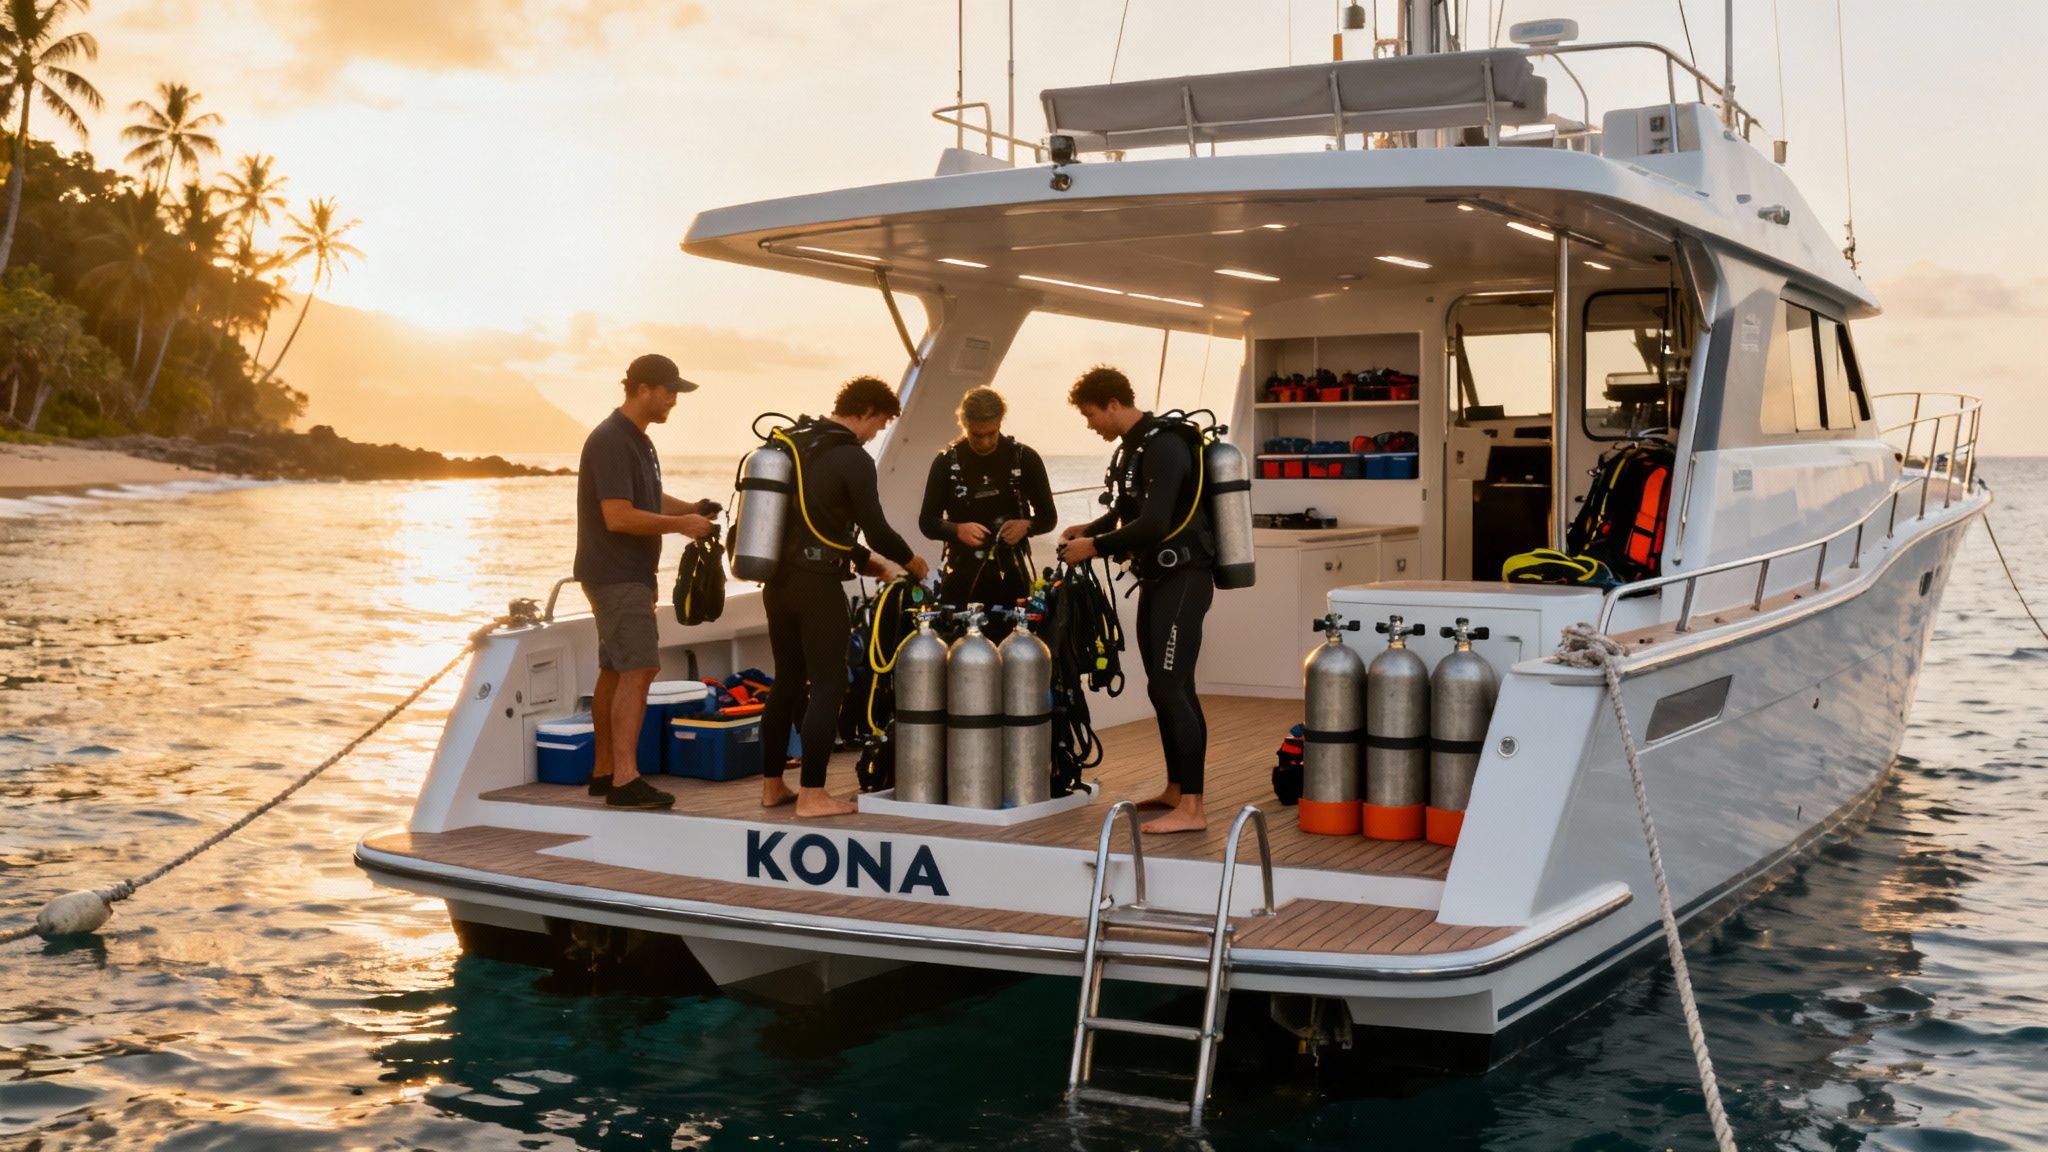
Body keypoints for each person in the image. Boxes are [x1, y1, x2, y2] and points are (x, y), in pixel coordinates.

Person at [760, 376, 931, 818]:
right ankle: (813, 794)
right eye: (880, 424)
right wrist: (911, 560)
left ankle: (772, 786)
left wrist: (863, 561)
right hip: (816, 587)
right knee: (830, 683)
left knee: (786, 681)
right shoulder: (851, 457)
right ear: (869, 413)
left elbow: (809, 520)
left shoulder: (794, 446)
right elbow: (876, 528)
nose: (876, 433)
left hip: (776, 583)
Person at [1057, 366, 1213, 835]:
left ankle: (1193, 807)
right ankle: (1175, 788)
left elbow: (1155, 524)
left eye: (1090, 416)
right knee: (1161, 686)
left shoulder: (1163, 445)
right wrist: (1092, 528)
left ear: (1112, 404)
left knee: (1172, 687)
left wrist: (1094, 548)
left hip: (1184, 578)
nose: (1091, 426)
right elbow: (1128, 510)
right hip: (1157, 578)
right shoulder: (1134, 448)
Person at [575, 353, 719, 810]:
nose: (674, 399)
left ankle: (603, 772)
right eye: (669, 390)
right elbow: (616, 516)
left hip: (623, 573)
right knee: (640, 669)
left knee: (616, 670)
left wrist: (689, 508)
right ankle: (625, 780)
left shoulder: (637, 440)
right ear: (642, 389)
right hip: (617, 574)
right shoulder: (612, 440)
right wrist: (682, 528)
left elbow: (646, 497)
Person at [917, 386, 1057, 633]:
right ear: (964, 425)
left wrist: (1028, 526)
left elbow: (1049, 517)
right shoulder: (946, 463)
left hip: (1012, 576)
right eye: (976, 435)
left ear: (1000, 422)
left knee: (1014, 656)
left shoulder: (1024, 458)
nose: (985, 442)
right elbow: (927, 521)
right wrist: (956, 530)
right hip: (961, 575)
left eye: (992, 433)